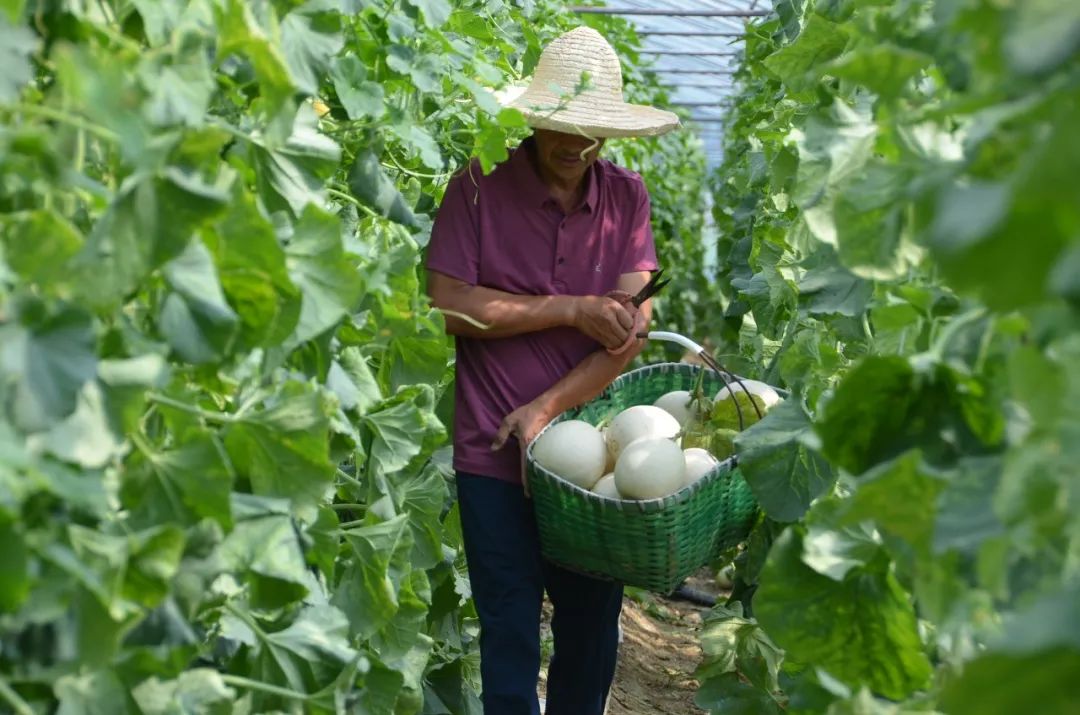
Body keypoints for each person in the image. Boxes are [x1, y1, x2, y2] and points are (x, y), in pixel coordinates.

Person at [425, 25, 680, 715]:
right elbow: (451, 305)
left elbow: (628, 329)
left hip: (591, 461)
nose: (575, 144)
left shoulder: (627, 199)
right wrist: (570, 309)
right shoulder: (478, 186)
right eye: (561, 127)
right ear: (534, 120)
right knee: (507, 628)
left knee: (590, 630)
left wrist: (544, 410)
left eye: (591, 130)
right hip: (492, 452)